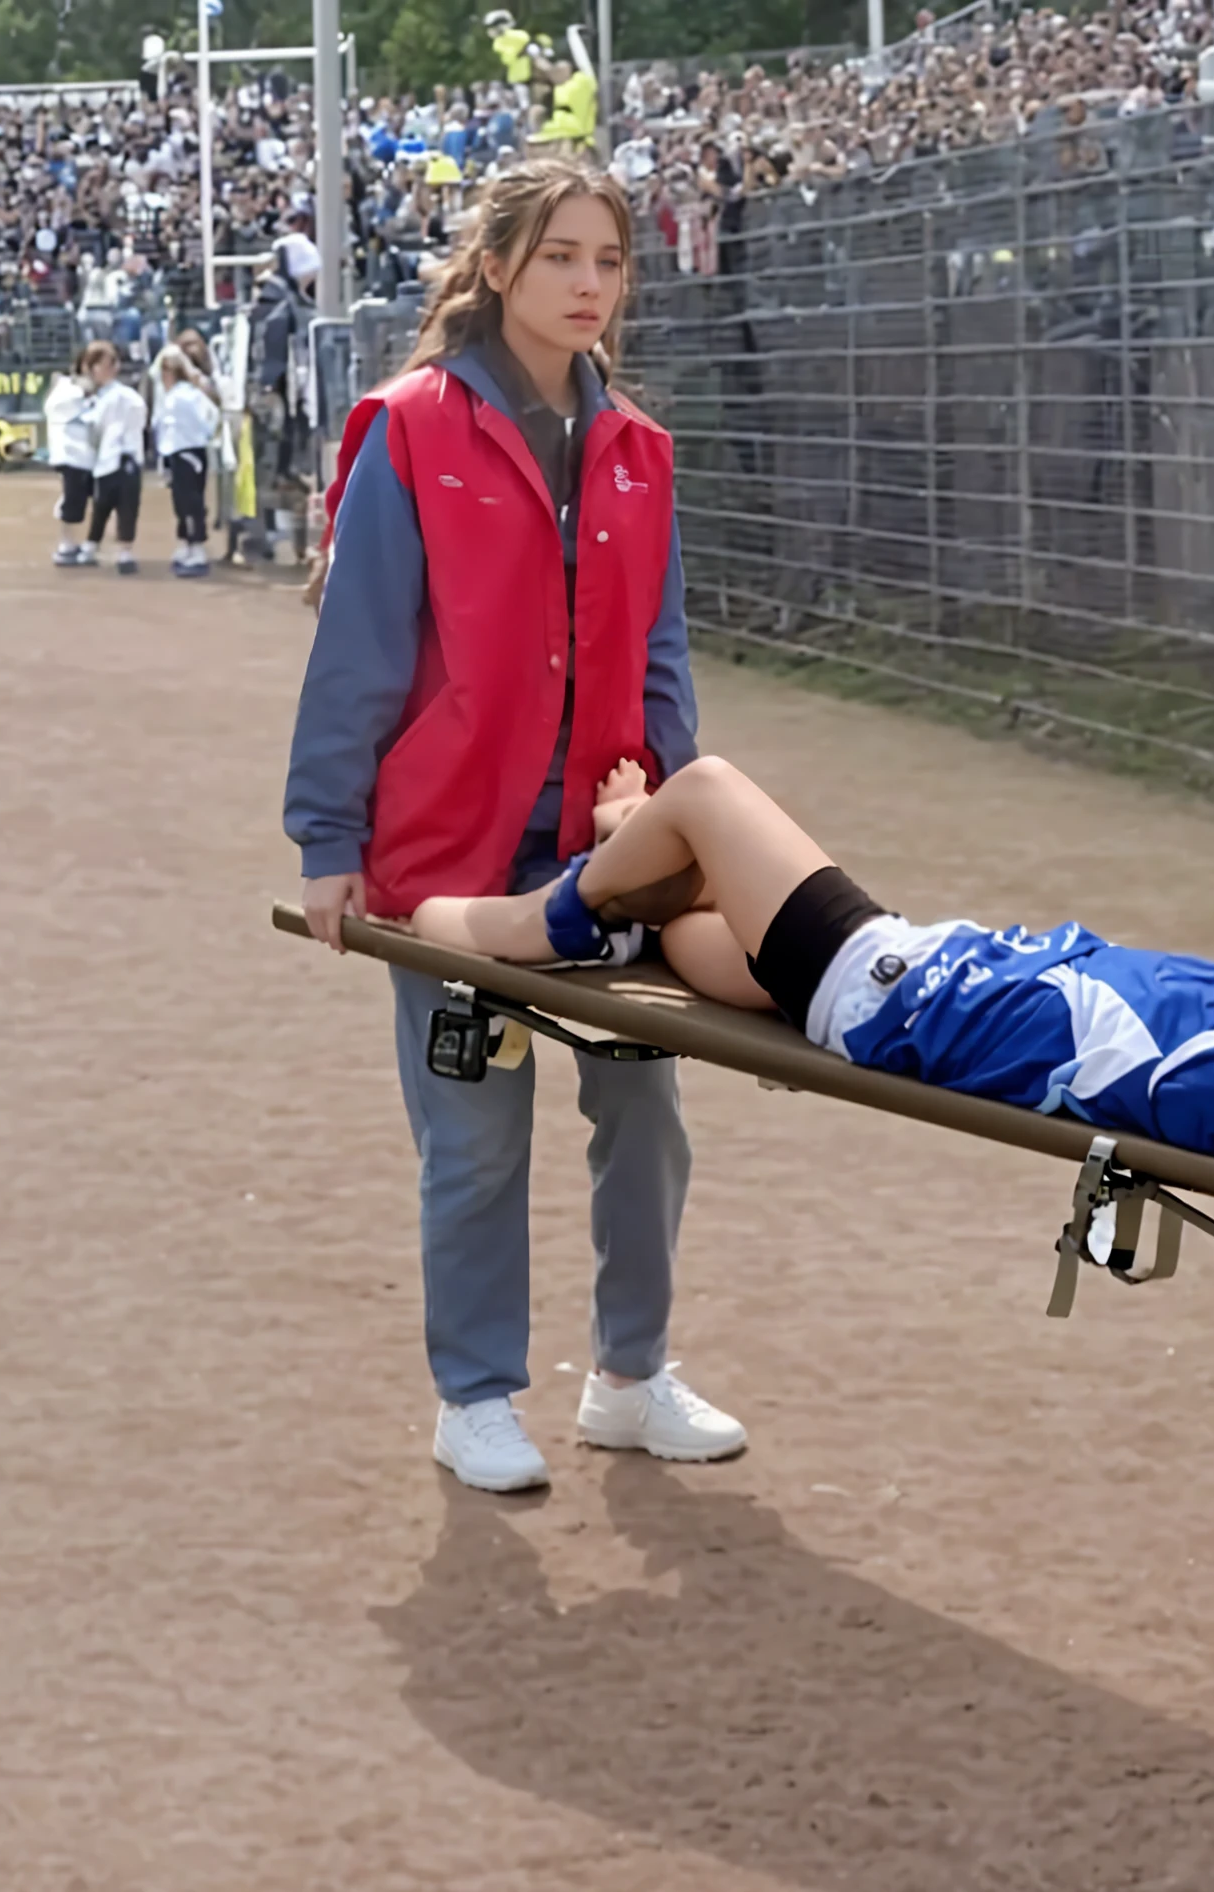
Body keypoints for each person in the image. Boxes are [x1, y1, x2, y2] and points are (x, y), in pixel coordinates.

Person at [284, 159, 729, 1497]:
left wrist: (670, 802)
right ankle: (475, 1397)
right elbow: (359, 648)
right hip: (446, 859)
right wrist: (326, 840)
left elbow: (663, 654)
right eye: (560, 259)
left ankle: (629, 1379)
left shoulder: (639, 454)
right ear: (496, 269)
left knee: (644, 1112)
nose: (589, 284)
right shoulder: (412, 430)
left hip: (606, 855)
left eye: (608, 261)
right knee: (474, 1135)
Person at [408, 755, 1214, 1182]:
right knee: (687, 920)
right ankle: (631, 871)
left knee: (707, 789)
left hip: (877, 979)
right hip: (893, 974)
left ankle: (551, 916)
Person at [151, 344, 218, 578]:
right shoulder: (178, 395)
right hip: (178, 454)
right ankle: (187, 543)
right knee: (182, 502)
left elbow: (209, 420)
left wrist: (197, 439)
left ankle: (197, 546)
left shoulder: (184, 396)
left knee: (191, 502)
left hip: (187, 452)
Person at [82, 339, 146, 576]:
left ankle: (124, 551)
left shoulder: (123, 396)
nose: (100, 370)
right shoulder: (100, 398)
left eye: (105, 364)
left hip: (125, 457)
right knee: (102, 505)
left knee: (126, 506)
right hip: (107, 460)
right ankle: (92, 545)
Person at [42, 351, 98, 567]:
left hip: (93, 455)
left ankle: (91, 543)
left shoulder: (101, 391)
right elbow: (54, 407)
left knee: (101, 500)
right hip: (70, 454)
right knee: (73, 499)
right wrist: (81, 390)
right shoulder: (65, 387)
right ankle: (67, 544)